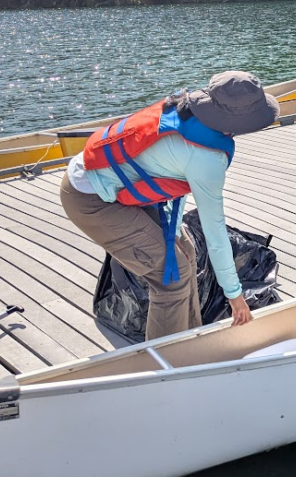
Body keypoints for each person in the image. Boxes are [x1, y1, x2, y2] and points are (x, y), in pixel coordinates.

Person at [60, 70, 280, 340]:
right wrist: (234, 295)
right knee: (170, 280)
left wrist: (173, 235)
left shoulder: (187, 113)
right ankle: (166, 363)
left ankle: (189, 341)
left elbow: (173, 185)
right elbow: (215, 233)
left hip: (116, 184)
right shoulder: (207, 159)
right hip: (89, 198)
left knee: (185, 256)